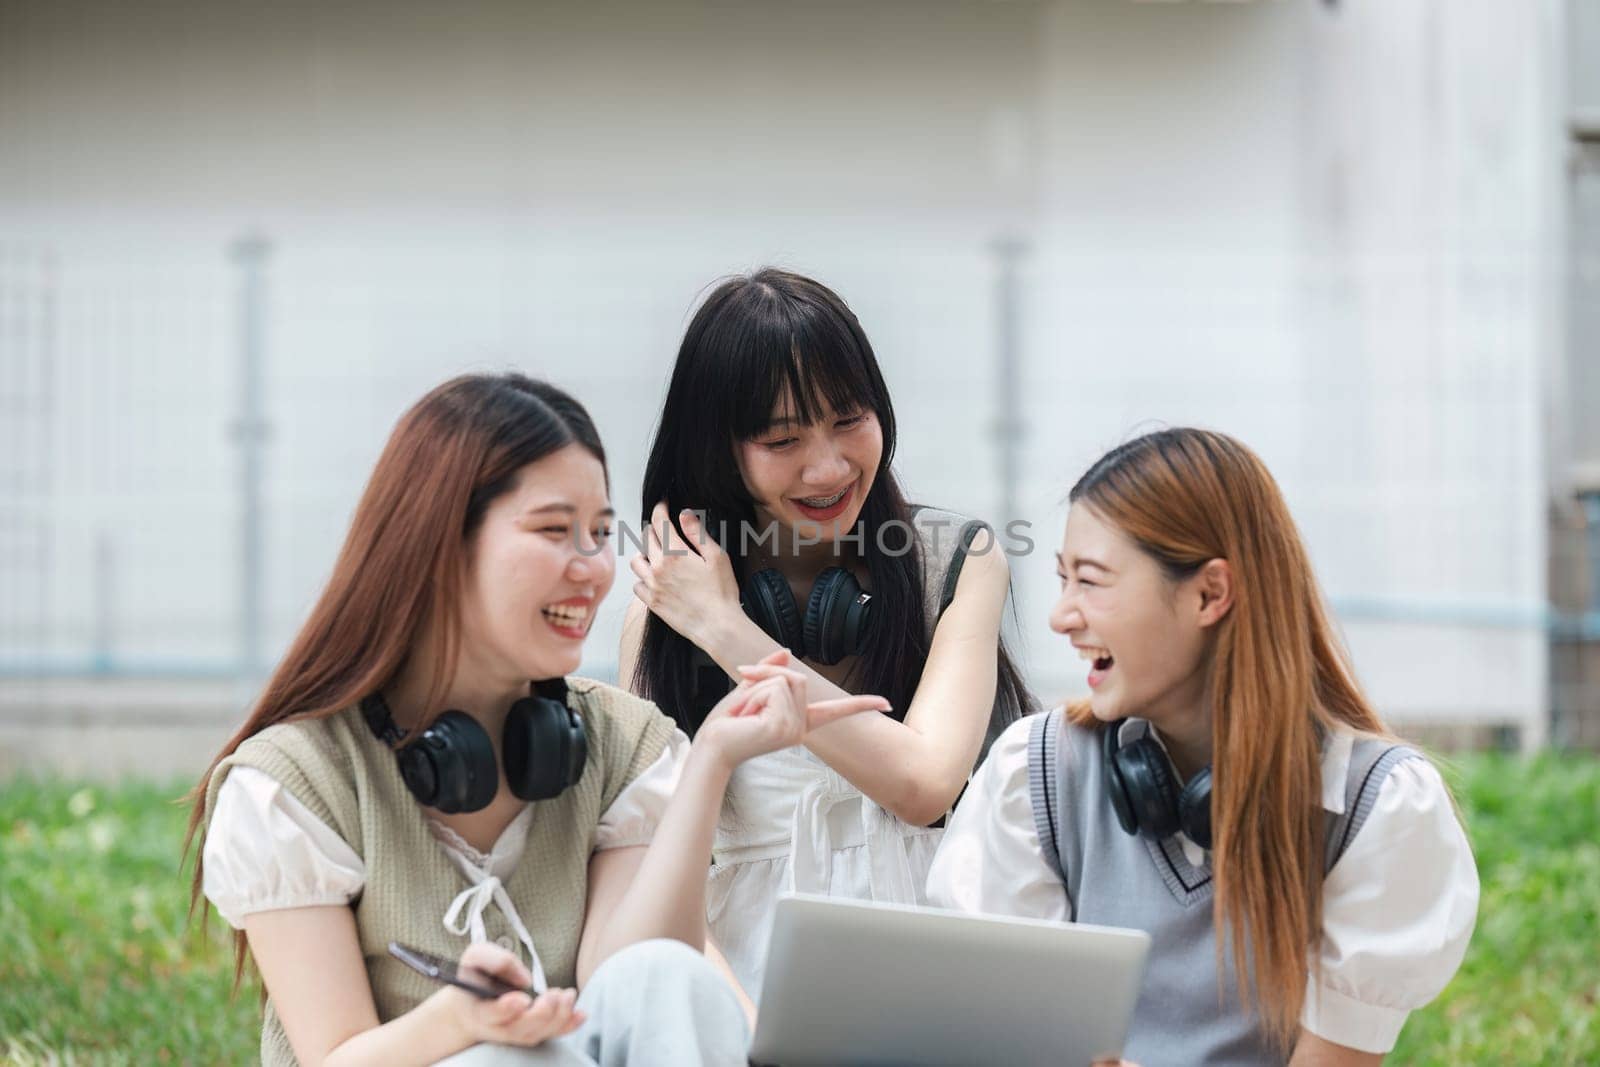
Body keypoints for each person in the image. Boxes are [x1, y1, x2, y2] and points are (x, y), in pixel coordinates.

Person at [186, 373, 887, 1067]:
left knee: (672, 977)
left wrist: (711, 761)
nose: (592, 568)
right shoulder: (297, 782)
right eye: (555, 530)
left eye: (600, 534)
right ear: (437, 545)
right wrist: (458, 1021)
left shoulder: (617, 740)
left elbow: (633, 977)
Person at [927, 428, 1479, 1066]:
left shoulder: (1377, 808)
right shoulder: (1037, 774)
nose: (1062, 616)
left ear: (1211, 594)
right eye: (1062, 581)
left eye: (1092, 581)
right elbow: (1006, 1038)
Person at [621, 268, 1035, 1005]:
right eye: (783, 438)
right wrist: (742, 1029)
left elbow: (923, 782)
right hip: (739, 999)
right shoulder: (666, 612)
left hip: (936, 988)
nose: (830, 465)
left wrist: (728, 629)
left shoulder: (955, 562)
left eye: (850, 419)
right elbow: (650, 865)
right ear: (721, 449)